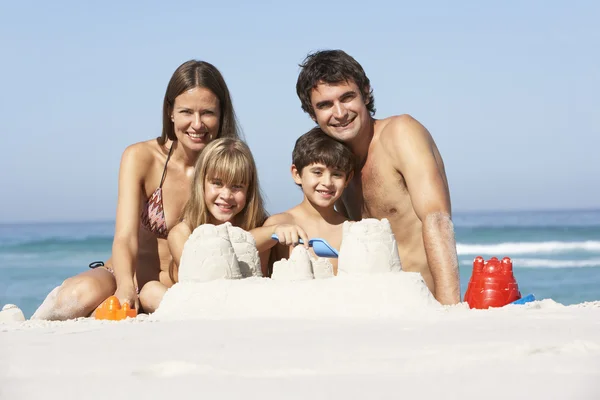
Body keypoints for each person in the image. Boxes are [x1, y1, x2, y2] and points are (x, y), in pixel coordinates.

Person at [32, 60, 241, 320]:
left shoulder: (229, 169)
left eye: (207, 112)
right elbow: (125, 236)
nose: (197, 124)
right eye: (187, 111)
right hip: (125, 279)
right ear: (170, 112)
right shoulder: (141, 157)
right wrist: (125, 288)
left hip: (171, 291)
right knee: (77, 295)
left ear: (221, 114)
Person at [295, 50, 460, 305]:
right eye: (325, 105)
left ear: (366, 92)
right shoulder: (338, 169)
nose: (339, 113)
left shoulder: (400, 133)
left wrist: (450, 309)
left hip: (426, 304)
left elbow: (437, 219)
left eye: (347, 97)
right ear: (311, 113)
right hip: (377, 313)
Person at [144, 137, 268, 312]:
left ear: (249, 190)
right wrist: (273, 233)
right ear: (200, 183)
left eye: (237, 186)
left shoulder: (260, 225)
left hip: (242, 304)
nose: (226, 195)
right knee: (150, 291)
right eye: (217, 183)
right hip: (198, 302)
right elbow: (200, 273)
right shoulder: (182, 232)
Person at [253, 127, 355, 276]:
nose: (327, 182)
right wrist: (272, 231)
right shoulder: (280, 223)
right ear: (297, 174)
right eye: (317, 172)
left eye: (337, 174)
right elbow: (247, 253)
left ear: (348, 179)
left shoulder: (352, 230)